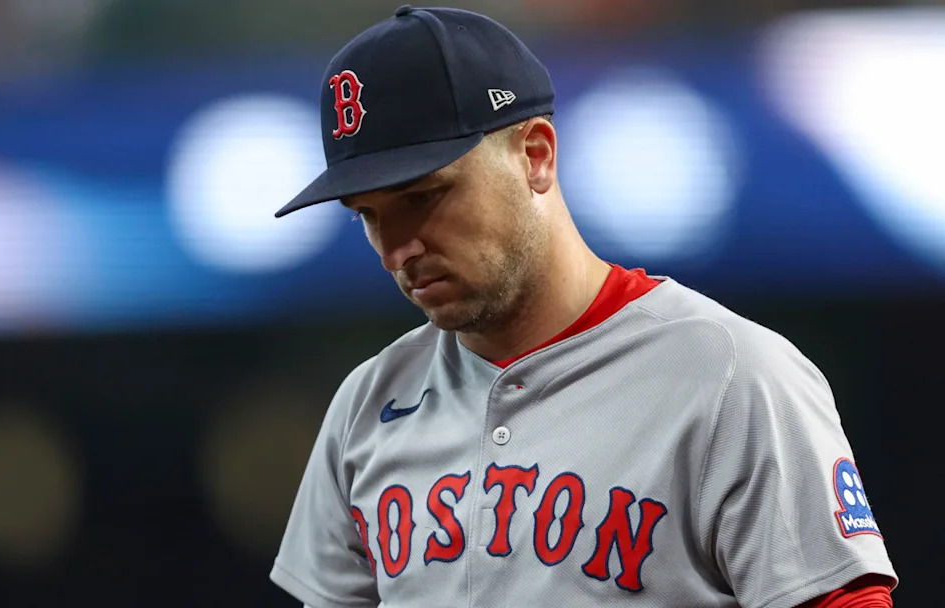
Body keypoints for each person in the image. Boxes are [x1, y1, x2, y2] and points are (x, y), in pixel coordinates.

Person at [270, 5, 898, 607]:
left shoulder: (733, 375)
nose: (397, 249)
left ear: (534, 154)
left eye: (421, 197)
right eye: (369, 217)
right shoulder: (365, 404)